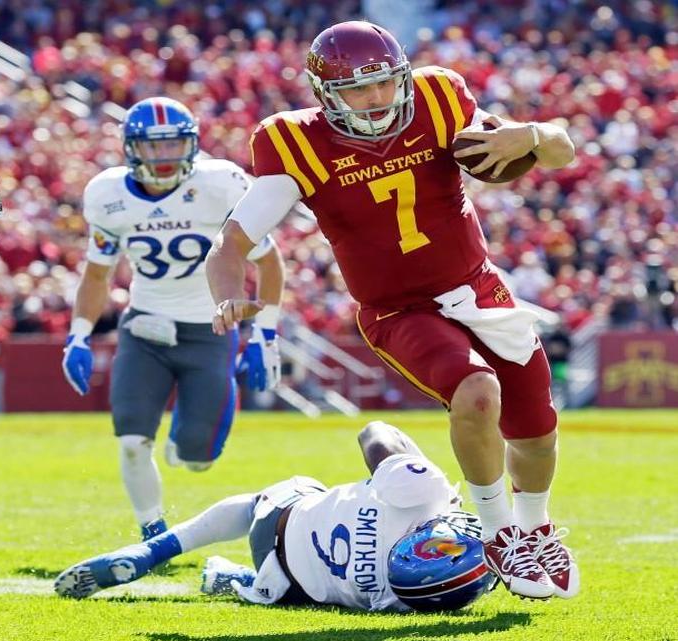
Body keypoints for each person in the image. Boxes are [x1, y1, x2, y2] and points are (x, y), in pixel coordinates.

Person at [206, 21, 578, 600]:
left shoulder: (439, 99)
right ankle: (499, 530)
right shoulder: (295, 143)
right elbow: (231, 244)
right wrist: (229, 295)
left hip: (479, 288)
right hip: (397, 309)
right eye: (358, 89)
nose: (376, 99)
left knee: (536, 432)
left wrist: (526, 134)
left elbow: (563, 149)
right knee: (477, 394)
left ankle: (536, 529)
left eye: (383, 83)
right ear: (325, 93)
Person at [62, 97, 286, 541]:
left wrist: (266, 335)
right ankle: (152, 529)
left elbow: (270, 262)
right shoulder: (108, 195)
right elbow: (97, 273)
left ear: (192, 145)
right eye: (153, 147)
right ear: (131, 148)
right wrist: (79, 336)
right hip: (144, 326)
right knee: (130, 443)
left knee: (196, 457)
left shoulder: (220, 183)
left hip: (211, 330)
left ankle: (185, 438)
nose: (165, 158)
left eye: (174, 146)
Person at [55, 420, 497, 614]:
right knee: (322, 588)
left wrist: (416, 466)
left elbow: (374, 433)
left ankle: (156, 548)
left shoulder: (424, 493)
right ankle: (241, 582)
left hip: (279, 518)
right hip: (286, 587)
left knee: (274, 496)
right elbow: (449, 580)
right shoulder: (400, 600)